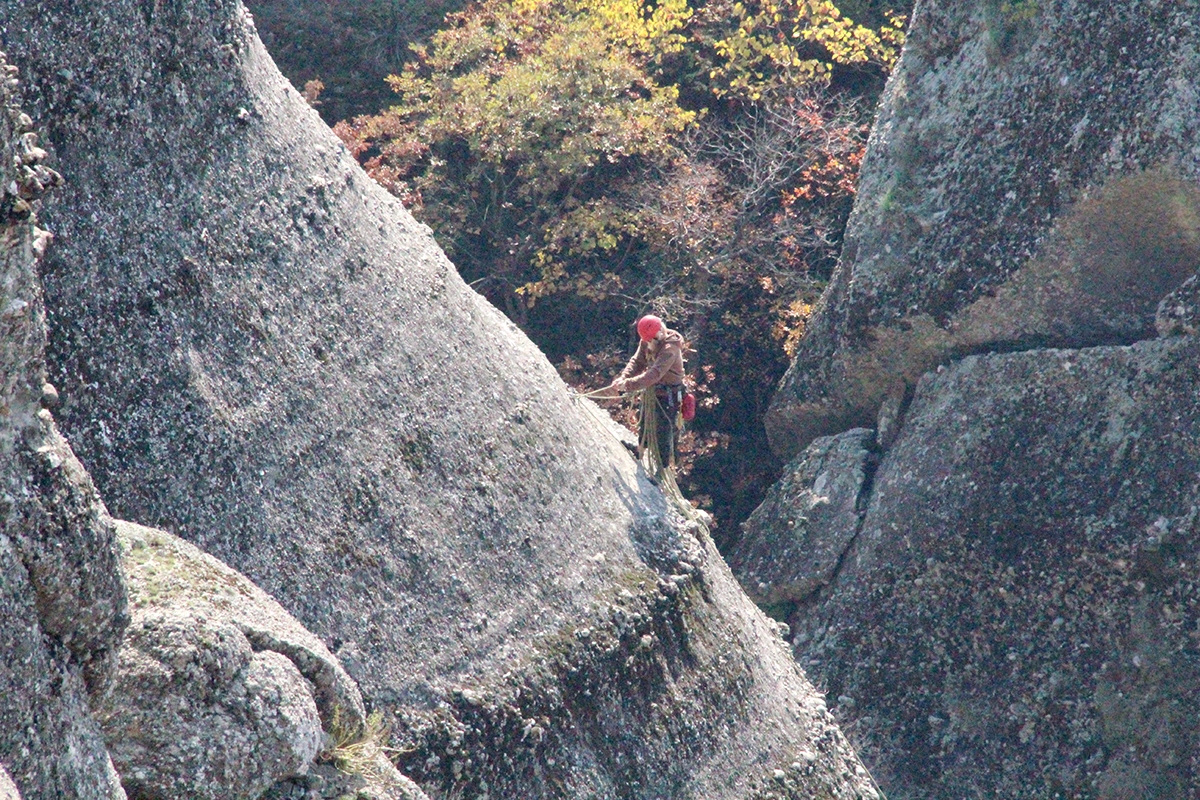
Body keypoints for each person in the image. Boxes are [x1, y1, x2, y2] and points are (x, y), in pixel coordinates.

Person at [609, 315, 686, 471]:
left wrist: (628, 385)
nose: (649, 344)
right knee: (644, 418)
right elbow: (637, 361)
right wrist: (623, 378)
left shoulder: (670, 347)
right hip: (653, 389)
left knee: (663, 430)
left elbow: (655, 373)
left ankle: (662, 469)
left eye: (652, 340)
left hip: (669, 394)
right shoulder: (647, 339)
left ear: (660, 331)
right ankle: (640, 450)